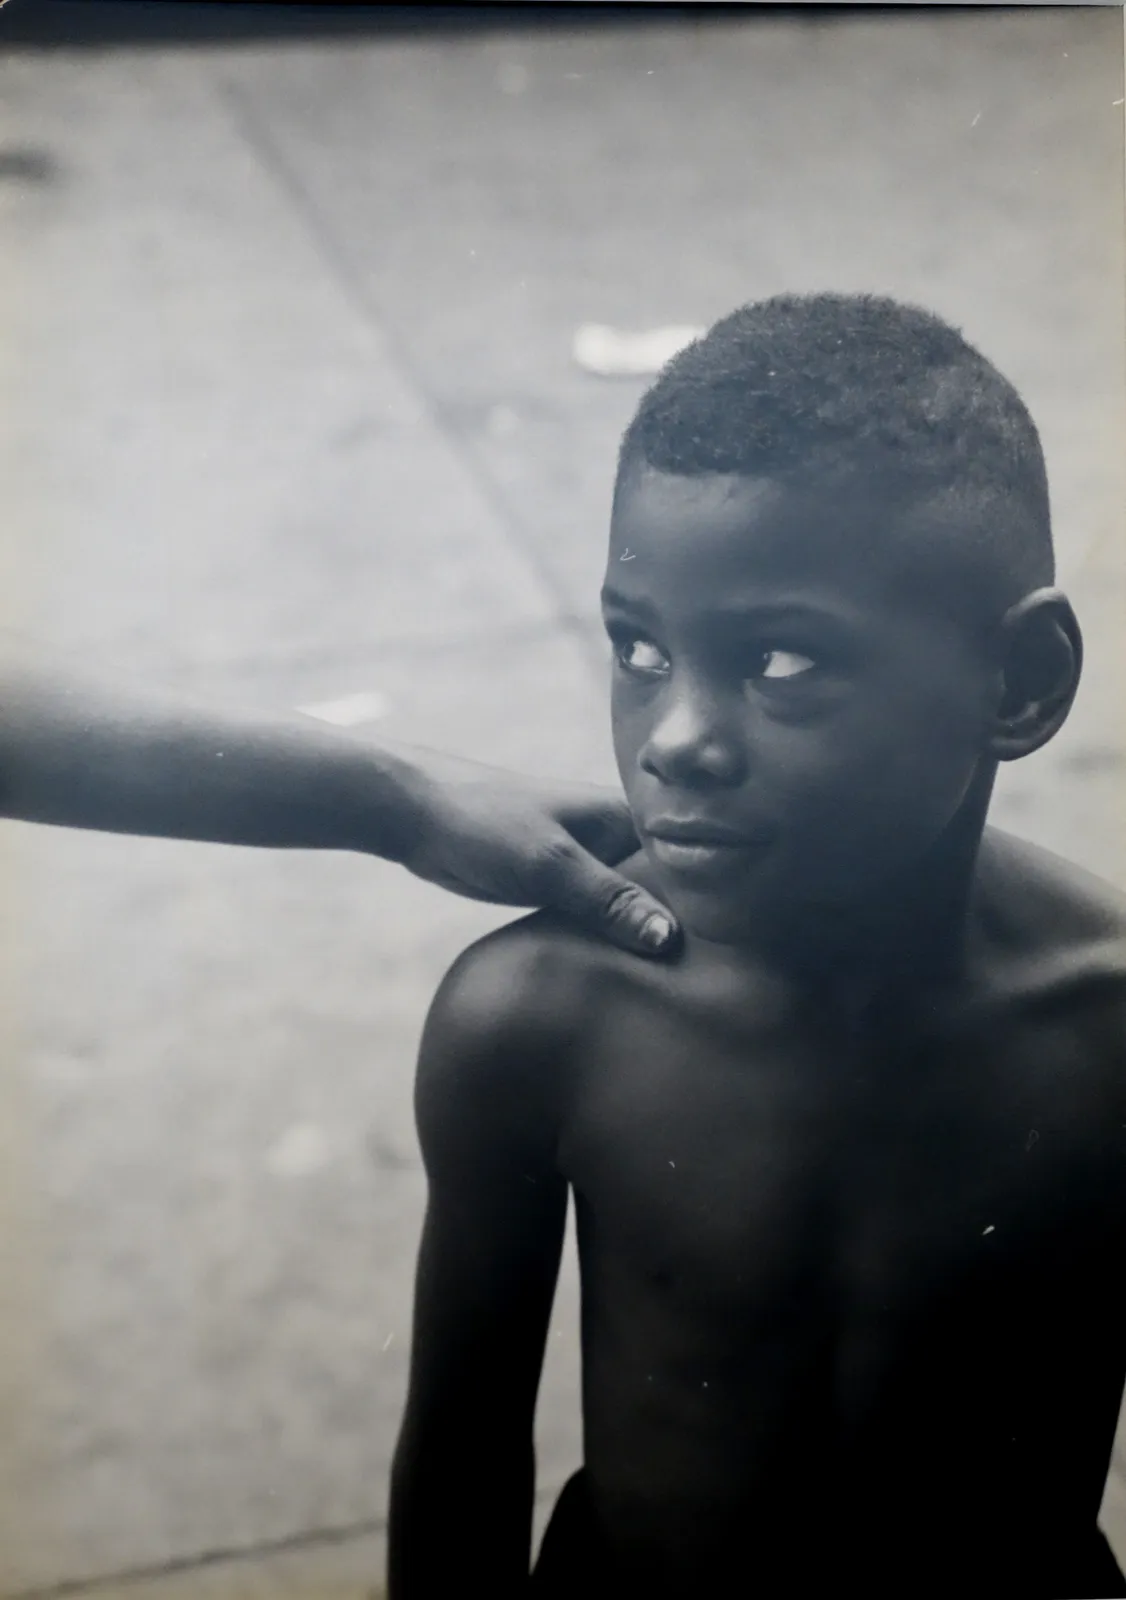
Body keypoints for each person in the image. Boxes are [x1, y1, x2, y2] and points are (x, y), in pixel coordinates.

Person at [388, 293, 1126, 1598]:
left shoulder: (1107, 1030)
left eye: (780, 664)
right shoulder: (537, 1018)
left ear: (1017, 684)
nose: (675, 737)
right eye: (638, 647)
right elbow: (460, 1462)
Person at [0, 640, 677, 955]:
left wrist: (412, 804)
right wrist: (407, 804)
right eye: (641, 653)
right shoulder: (517, 1014)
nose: (675, 744)